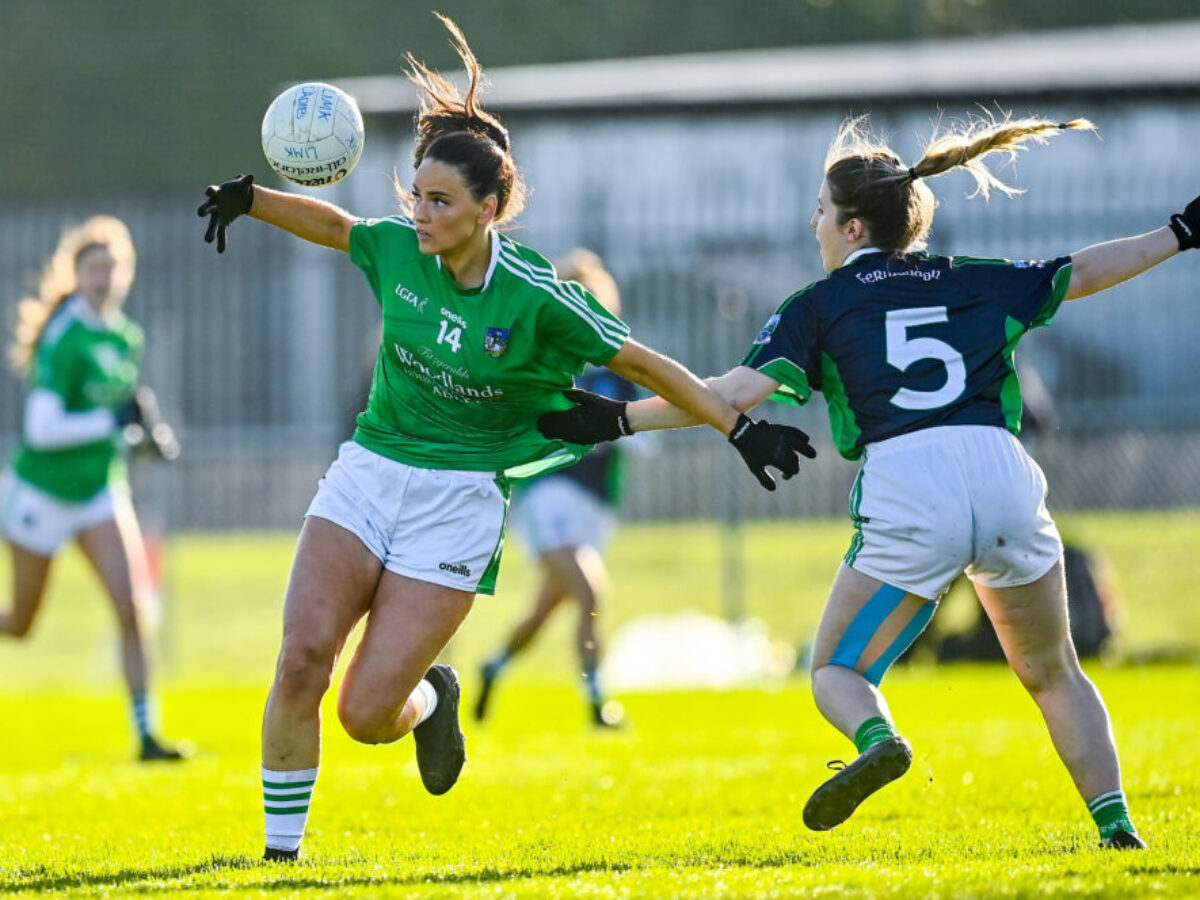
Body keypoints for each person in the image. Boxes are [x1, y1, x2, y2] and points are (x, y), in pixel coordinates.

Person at [196, 14, 814, 862]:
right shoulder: (398, 248)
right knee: (302, 659)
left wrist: (738, 427)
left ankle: (427, 701)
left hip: (461, 500)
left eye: (440, 201)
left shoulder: (539, 299)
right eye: (416, 194)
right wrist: (252, 199)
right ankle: (276, 859)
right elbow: (339, 227)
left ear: (489, 210)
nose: (419, 213)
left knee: (364, 714)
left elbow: (646, 365)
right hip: (369, 473)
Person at [538, 112, 1200, 850]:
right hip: (1001, 469)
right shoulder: (971, 279)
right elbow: (1082, 271)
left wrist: (622, 420)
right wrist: (1178, 231)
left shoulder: (818, 305)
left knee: (836, 669)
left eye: (821, 210)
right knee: (1054, 673)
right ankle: (1118, 828)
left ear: (853, 229)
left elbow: (727, 394)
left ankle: (878, 739)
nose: (813, 222)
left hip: (910, 479)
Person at [0, 215, 185, 762]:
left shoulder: (125, 336)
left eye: (113, 268)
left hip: (100, 491)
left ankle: (148, 736)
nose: (104, 278)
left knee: (132, 608)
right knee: (21, 623)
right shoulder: (64, 336)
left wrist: (147, 436)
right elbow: (43, 428)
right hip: (41, 493)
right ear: (75, 274)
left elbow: (118, 423)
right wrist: (113, 424)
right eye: (94, 268)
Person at [475, 249, 638, 728]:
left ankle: (494, 666)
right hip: (548, 497)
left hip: (594, 504)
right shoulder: (544, 366)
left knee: (547, 608)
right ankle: (597, 704)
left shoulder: (618, 373)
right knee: (589, 593)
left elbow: (635, 425)